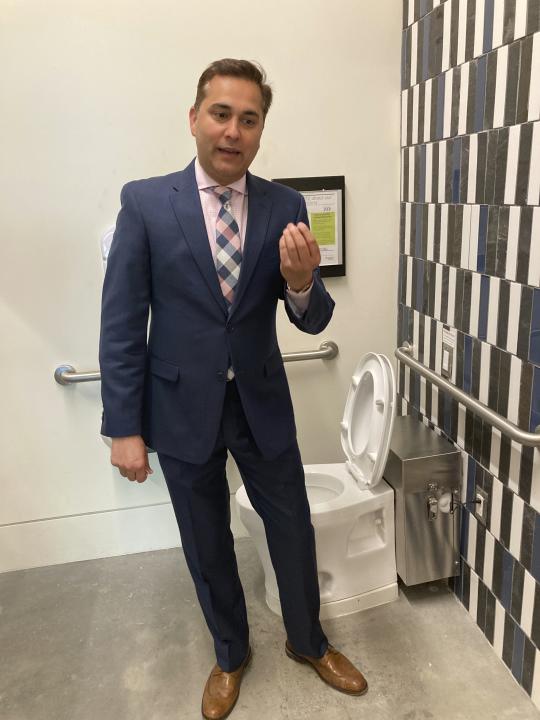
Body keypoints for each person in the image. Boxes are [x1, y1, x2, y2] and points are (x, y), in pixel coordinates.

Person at [99, 58, 367, 720]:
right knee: (205, 538)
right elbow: (122, 323)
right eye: (221, 114)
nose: (233, 130)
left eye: (249, 119)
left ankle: (308, 642)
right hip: (178, 407)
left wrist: (303, 285)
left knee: (292, 528)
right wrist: (123, 428)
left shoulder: (286, 206)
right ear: (194, 119)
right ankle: (229, 654)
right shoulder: (145, 203)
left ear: (260, 130)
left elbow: (314, 316)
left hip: (261, 402)